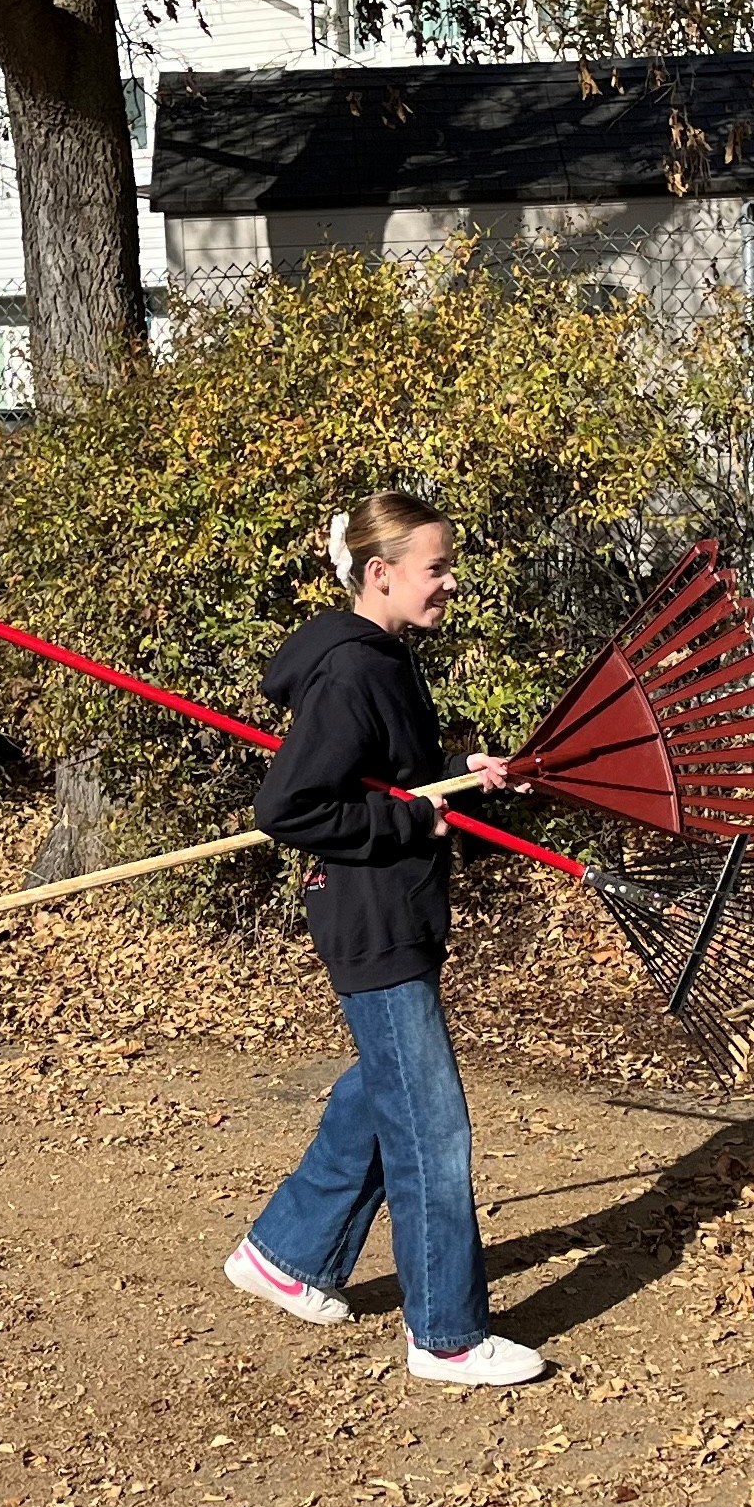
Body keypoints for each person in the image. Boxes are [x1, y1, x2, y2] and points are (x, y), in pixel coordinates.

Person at [224, 494, 547, 1390]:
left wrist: (463, 777)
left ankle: (287, 1254)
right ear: (382, 574)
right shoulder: (350, 674)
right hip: (369, 915)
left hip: (394, 905)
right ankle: (445, 1332)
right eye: (436, 568)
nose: (450, 582)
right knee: (432, 1125)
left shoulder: (385, 660)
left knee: (384, 1087)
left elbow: (394, 779)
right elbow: (290, 807)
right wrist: (406, 825)